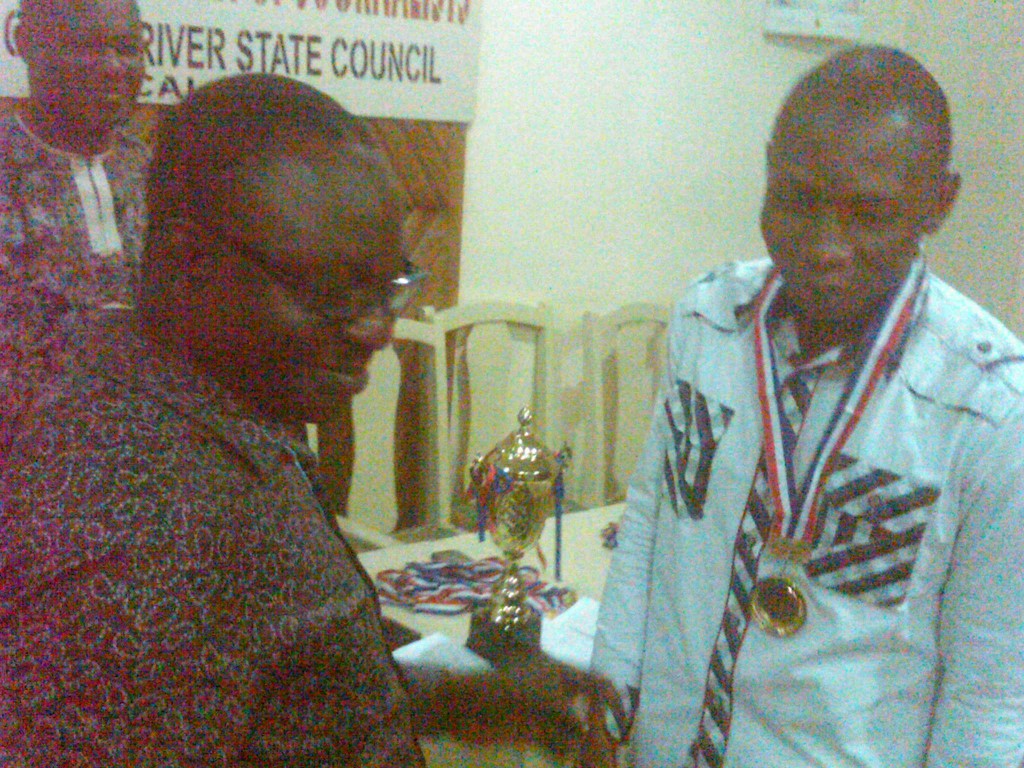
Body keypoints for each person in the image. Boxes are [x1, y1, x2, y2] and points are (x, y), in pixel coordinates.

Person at [0, 73, 619, 766]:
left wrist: (453, 697)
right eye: (331, 292)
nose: (378, 331)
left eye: (393, 287)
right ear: (186, 262)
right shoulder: (134, 537)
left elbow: (274, 679)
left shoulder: (219, 408)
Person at [588, 46, 1024, 768]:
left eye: (869, 214)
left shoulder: (990, 413)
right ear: (767, 172)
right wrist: (609, 693)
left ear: (938, 203)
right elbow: (651, 520)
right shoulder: (707, 321)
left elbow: (992, 692)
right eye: (796, 197)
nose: (824, 246)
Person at [0, 0, 148, 443]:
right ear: (25, 43)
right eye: (83, 47)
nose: (111, 68)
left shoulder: (156, 171)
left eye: (126, 48)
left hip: (142, 465)